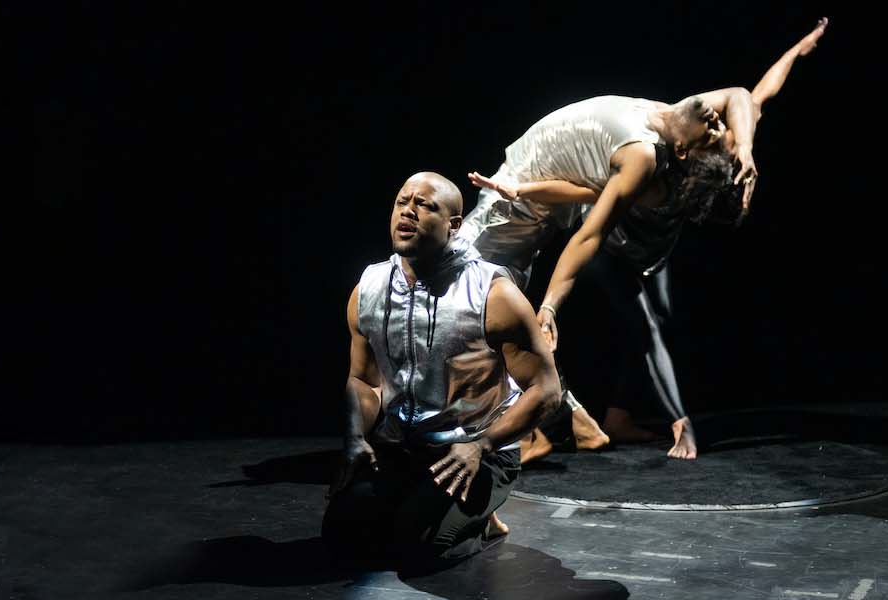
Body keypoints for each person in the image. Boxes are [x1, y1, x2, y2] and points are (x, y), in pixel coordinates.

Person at [466, 18, 831, 458]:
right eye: (719, 128)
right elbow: (749, 96)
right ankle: (603, 419)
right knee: (650, 320)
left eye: (714, 130)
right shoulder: (688, 135)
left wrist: (548, 305)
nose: (716, 120)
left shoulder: (647, 164)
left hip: (624, 238)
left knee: (649, 323)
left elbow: (590, 231)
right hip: (614, 233)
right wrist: (796, 55)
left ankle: (579, 421)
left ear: (684, 152)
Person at [322, 172, 561, 567]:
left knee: (424, 548)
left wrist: (480, 445)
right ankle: (416, 503)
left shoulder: (492, 293)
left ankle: (483, 520)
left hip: (475, 449)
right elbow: (364, 380)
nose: (408, 211)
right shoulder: (370, 288)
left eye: (425, 205)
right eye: (402, 202)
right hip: (403, 446)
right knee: (342, 537)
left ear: (454, 224)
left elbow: (546, 389)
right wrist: (355, 438)